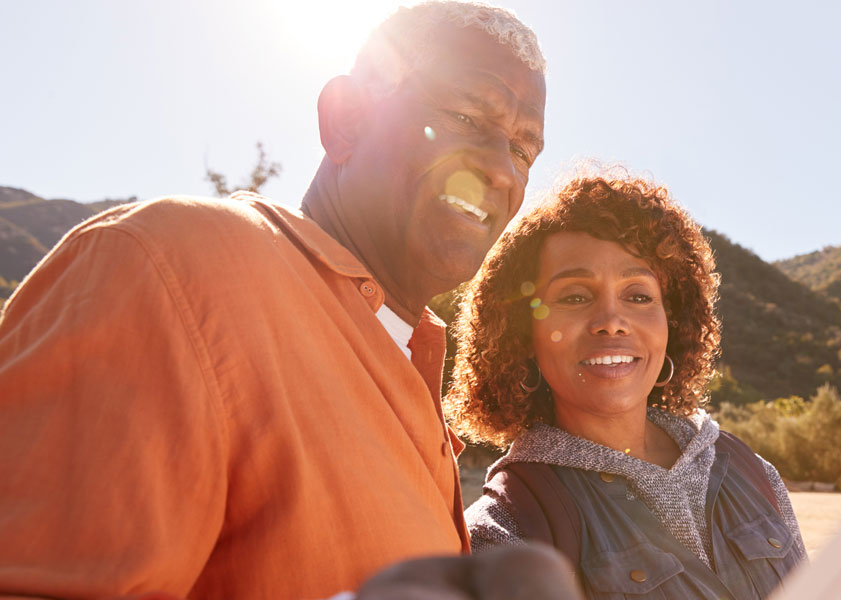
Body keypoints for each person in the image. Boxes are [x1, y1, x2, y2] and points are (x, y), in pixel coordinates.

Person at [0, 2, 579, 599]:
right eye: (464, 115)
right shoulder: (172, 264)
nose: (502, 169)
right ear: (347, 120)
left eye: (523, 150)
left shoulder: (416, 358)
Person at [445, 172, 808, 599]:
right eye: (575, 297)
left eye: (638, 296)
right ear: (523, 334)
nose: (612, 322)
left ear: (672, 322)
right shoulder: (505, 536)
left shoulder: (754, 472)